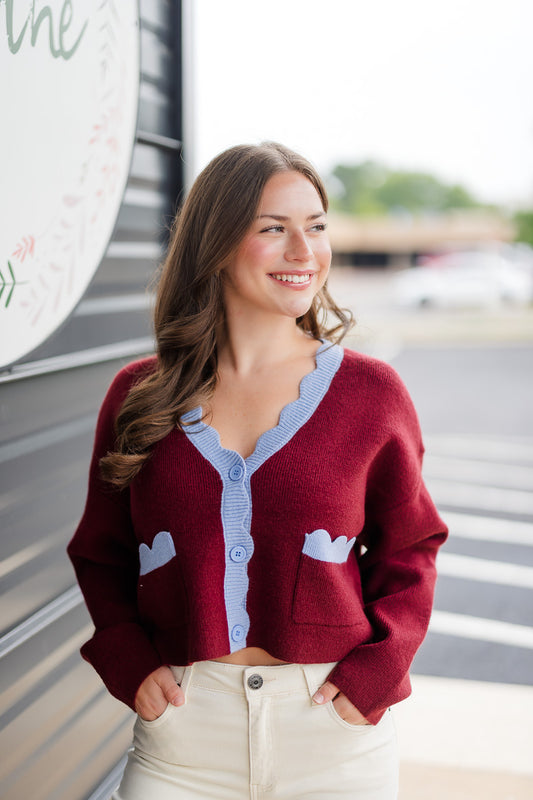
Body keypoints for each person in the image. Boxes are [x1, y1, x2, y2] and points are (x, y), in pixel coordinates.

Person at [68, 142, 448, 799]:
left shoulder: (370, 393)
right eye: (273, 229)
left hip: (330, 734)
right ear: (214, 244)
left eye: (316, 227)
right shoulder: (139, 395)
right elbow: (101, 555)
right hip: (185, 738)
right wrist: (128, 664)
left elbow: (410, 549)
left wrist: (375, 674)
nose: (304, 251)